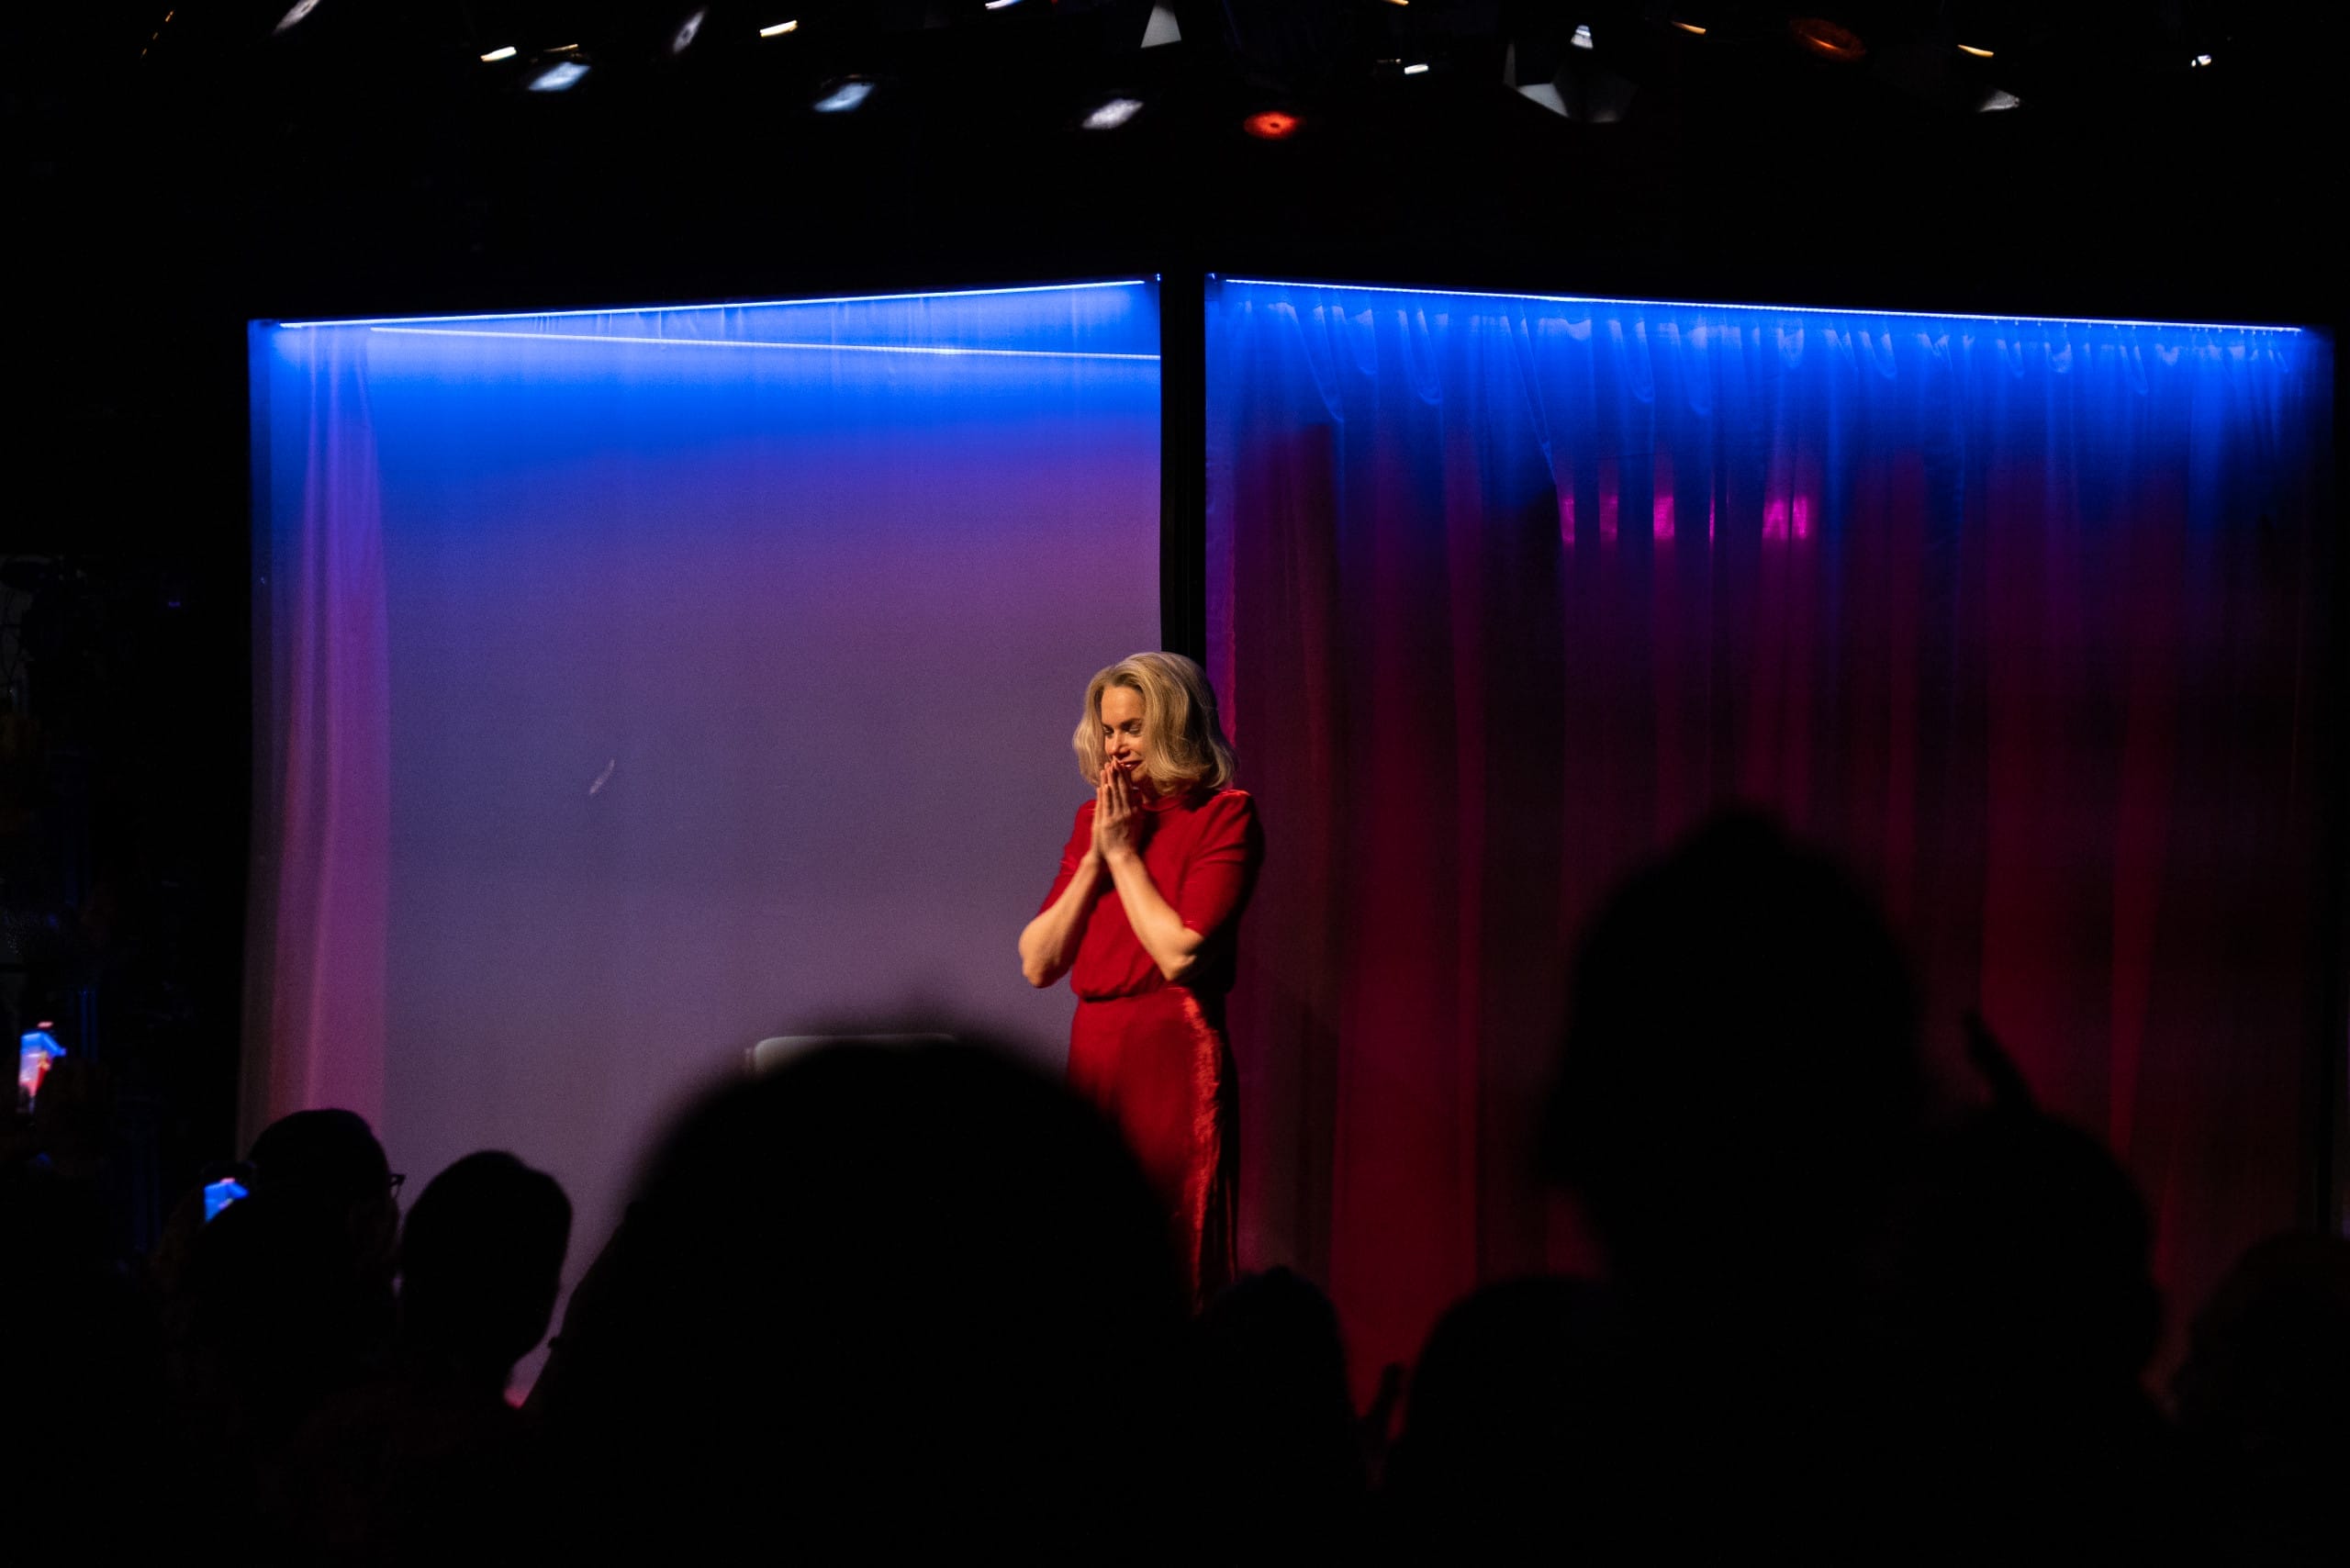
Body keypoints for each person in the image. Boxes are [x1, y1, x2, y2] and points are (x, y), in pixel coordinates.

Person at [1019, 652, 1262, 1305]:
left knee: (1171, 1246)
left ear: (1175, 726)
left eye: (1132, 728)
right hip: (1095, 1048)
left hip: (1171, 1051)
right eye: (1108, 730)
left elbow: (1179, 954)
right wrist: (1097, 857)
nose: (1116, 747)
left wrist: (1124, 858)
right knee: (1090, 1242)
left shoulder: (1225, 815)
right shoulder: (1096, 820)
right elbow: (1039, 961)